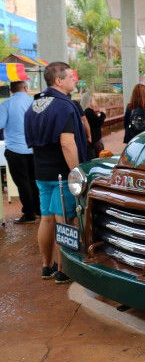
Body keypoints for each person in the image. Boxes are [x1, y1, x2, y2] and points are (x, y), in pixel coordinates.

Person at [24, 61, 88, 285]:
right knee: (64, 220)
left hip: (41, 171)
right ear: (59, 81)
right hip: (62, 174)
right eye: (71, 77)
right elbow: (67, 143)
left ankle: (46, 265)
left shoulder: (34, 106)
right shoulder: (64, 106)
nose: (74, 80)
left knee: (47, 219)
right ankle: (63, 269)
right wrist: (77, 172)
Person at [0, 81, 41, 223]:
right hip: (34, 149)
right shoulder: (35, 102)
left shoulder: (6, 104)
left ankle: (29, 214)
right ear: (25, 87)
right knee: (35, 180)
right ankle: (39, 209)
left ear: (11, 90)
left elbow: (0, 124)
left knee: (22, 183)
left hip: (15, 149)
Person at [81, 92, 106, 158]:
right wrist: (103, 114)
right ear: (89, 101)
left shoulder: (89, 111)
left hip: (95, 138)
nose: (95, 101)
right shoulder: (88, 111)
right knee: (98, 157)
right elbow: (98, 122)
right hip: (94, 139)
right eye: (93, 99)